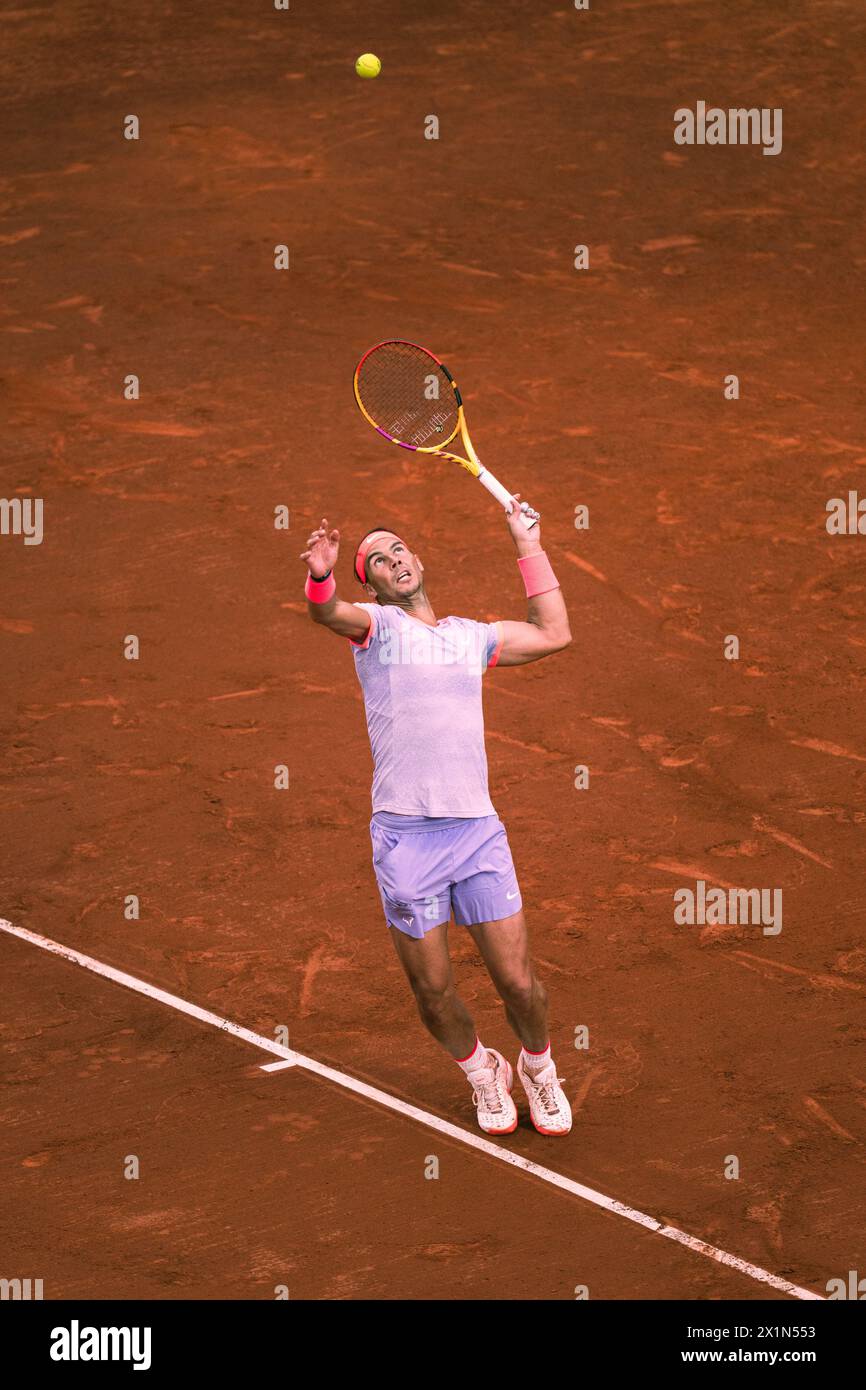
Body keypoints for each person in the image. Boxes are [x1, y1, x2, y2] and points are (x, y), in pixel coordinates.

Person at [300, 497, 573, 1136]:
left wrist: (527, 542)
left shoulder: (469, 638)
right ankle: (482, 1070)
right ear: (370, 582)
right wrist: (321, 575)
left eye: (399, 550)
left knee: (520, 982)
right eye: (377, 560)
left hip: (476, 834)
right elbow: (326, 611)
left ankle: (538, 1065)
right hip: (405, 842)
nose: (392, 560)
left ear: (417, 562)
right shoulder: (376, 629)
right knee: (433, 990)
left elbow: (555, 632)